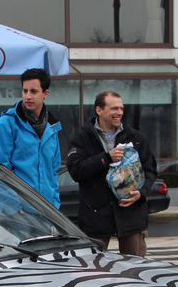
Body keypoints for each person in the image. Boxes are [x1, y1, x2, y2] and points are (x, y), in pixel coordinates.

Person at [67, 91, 157, 256]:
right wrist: (106, 158)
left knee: (135, 267)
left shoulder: (136, 138)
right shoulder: (82, 138)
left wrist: (142, 193)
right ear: (99, 110)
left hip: (131, 216)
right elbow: (76, 171)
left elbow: (150, 171)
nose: (119, 112)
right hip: (95, 218)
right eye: (114, 108)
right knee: (93, 268)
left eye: (121, 108)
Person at [0, 68, 63, 208]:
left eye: (33, 91)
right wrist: (12, 210)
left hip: (47, 211)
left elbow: (54, 170)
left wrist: (55, 203)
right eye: (25, 91)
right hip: (18, 213)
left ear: (45, 93)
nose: (28, 96)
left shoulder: (53, 127)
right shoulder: (6, 124)